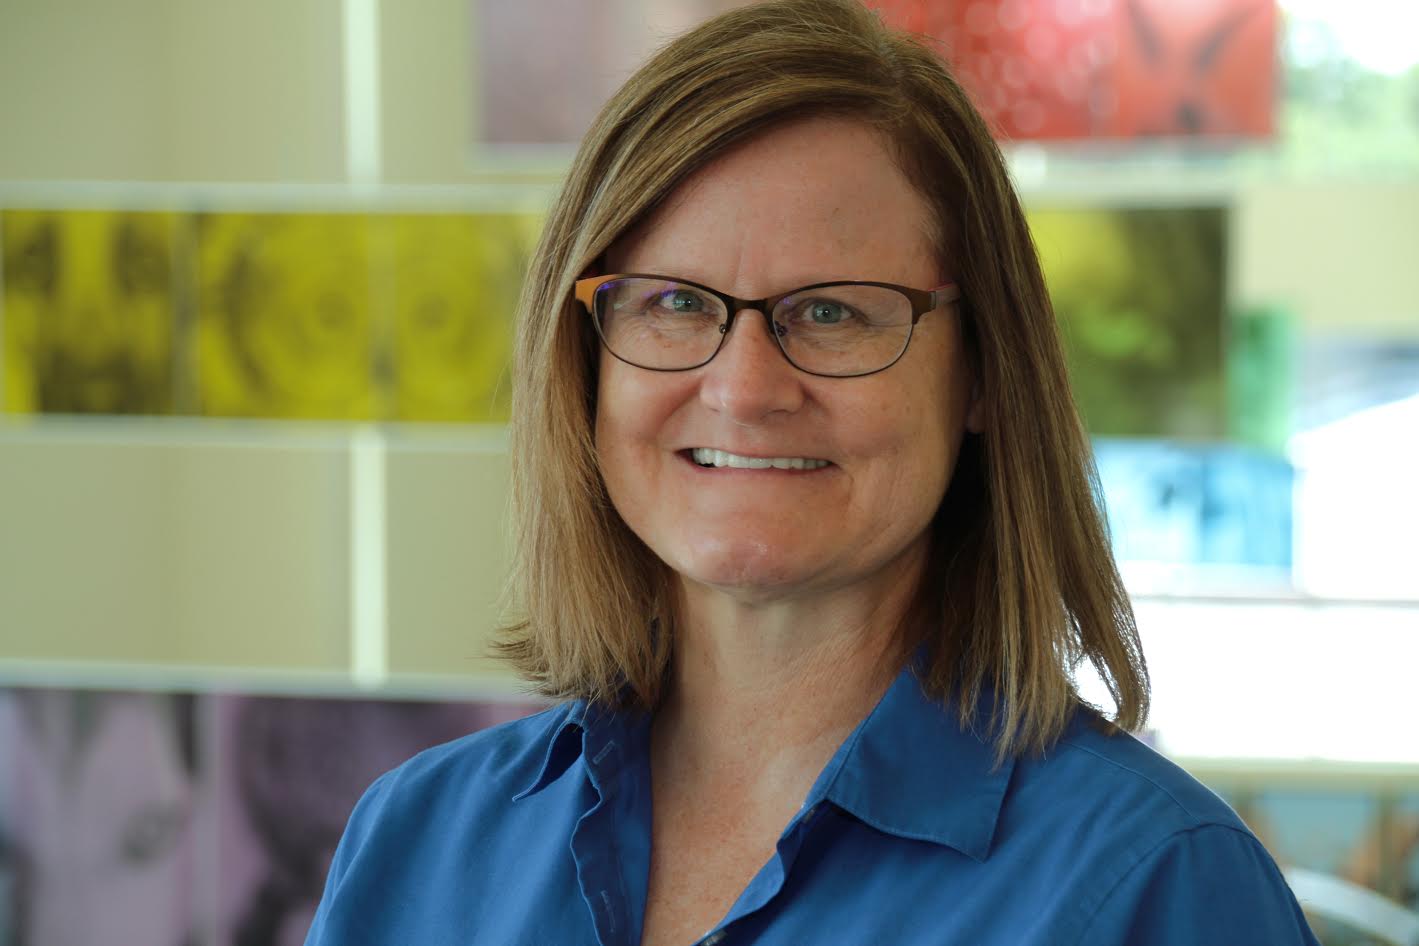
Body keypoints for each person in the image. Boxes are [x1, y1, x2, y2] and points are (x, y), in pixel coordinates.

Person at [305, 2, 1321, 943]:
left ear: (981, 375)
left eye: (833, 311)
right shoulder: (421, 842)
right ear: (588, 360)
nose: (744, 389)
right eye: (673, 303)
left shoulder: (1152, 884)